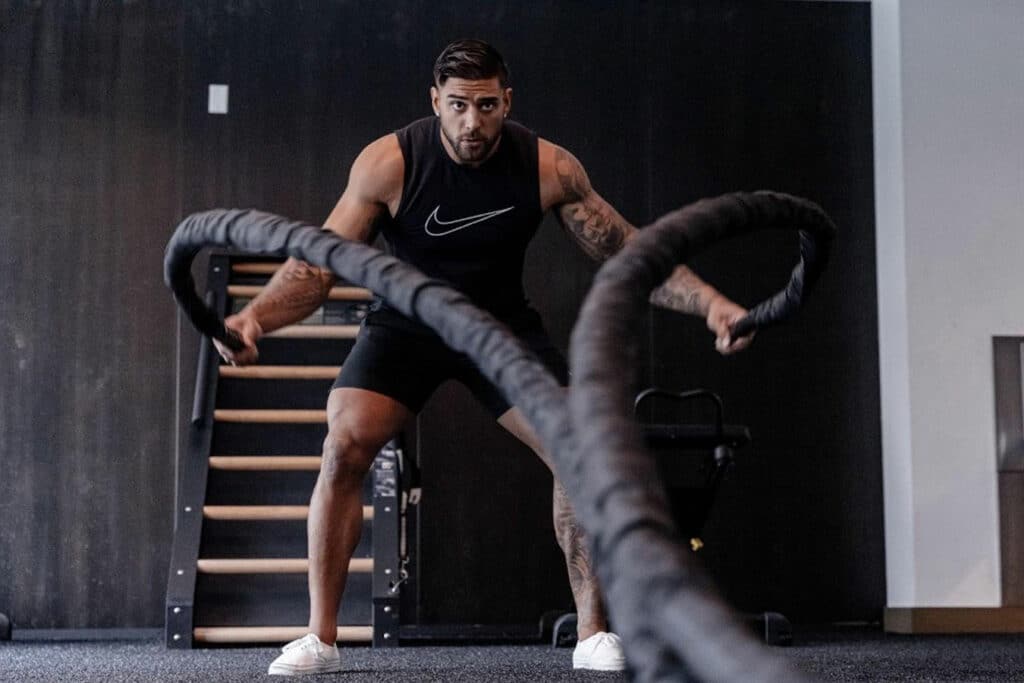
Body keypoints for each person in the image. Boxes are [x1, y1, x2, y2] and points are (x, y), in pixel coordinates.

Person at [216, 39, 753, 676]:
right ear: (435, 102)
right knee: (344, 443)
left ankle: (592, 634)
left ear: (507, 101)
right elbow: (317, 269)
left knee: (577, 446)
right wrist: (255, 318)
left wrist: (712, 303)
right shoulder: (389, 163)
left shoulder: (547, 167)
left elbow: (627, 252)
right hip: (406, 327)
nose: (474, 123)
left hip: (498, 329)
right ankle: (321, 638)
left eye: (488, 106)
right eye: (460, 106)